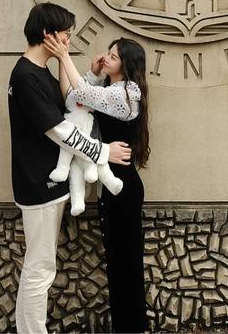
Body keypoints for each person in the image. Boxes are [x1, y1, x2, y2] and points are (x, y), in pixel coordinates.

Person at [8, 2, 132, 334]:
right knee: (40, 268)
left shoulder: (38, 71)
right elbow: (61, 132)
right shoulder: (25, 77)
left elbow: (71, 99)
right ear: (49, 34)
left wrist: (74, 65)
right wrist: (103, 151)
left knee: (40, 266)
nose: (68, 39)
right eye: (66, 34)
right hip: (40, 185)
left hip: (47, 183)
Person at [43, 32, 150, 334]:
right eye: (109, 52)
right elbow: (73, 97)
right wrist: (87, 69)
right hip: (111, 189)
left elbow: (87, 95)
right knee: (117, 265)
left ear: (127, 65)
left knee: (127, 266)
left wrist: (65, 57)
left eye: (114, 56)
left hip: (125, 190)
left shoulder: (128, 93)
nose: (108, 57)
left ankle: (133, 329)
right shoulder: (110, 87)